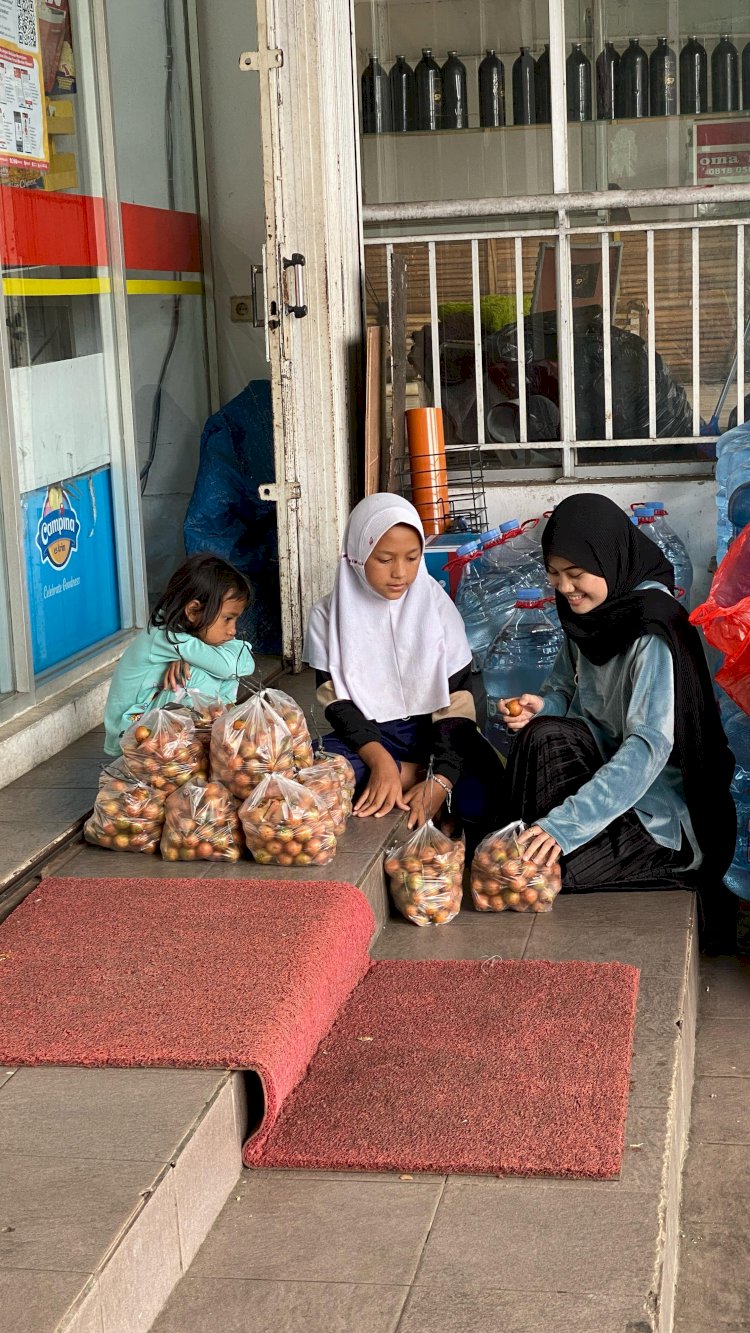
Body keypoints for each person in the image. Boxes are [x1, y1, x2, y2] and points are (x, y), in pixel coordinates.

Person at [497, 493, 736, 906]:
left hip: (660, 807)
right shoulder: (591, 614)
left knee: (547, 873)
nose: (565, 589)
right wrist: (543, 706)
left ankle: (664, 858)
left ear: (609, 559)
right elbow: (562, 689)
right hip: (604, 773)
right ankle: (542, 841)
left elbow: (647, 748)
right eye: (554, 575)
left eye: (575, 574)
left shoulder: (652, 630)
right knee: (543, 735)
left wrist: (563, 827)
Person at [303, 493, 503, 838]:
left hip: (438, 735)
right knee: (311, 771)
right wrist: (380, 760)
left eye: (412, 558)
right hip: (371, 738)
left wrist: (442, 779)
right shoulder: (327, 616)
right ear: (357, 556)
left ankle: (420, 776)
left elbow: (458, 700)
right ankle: (407, 773)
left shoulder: (437, 608)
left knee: (489, 790)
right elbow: (336, 704)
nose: (400, 573)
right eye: (383, 559)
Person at [104, 554, 255, 756]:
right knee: (199, 675)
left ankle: (217, 731)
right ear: (193, 611)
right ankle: (198, 747)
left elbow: (244, 661)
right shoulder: (164, 637)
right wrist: (195, 660)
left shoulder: (185, 638)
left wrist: (189, 657)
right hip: (131, 733)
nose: (233, 630)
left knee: (214, 666)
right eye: (227, 619)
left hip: (154, 720)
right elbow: (230, 665)